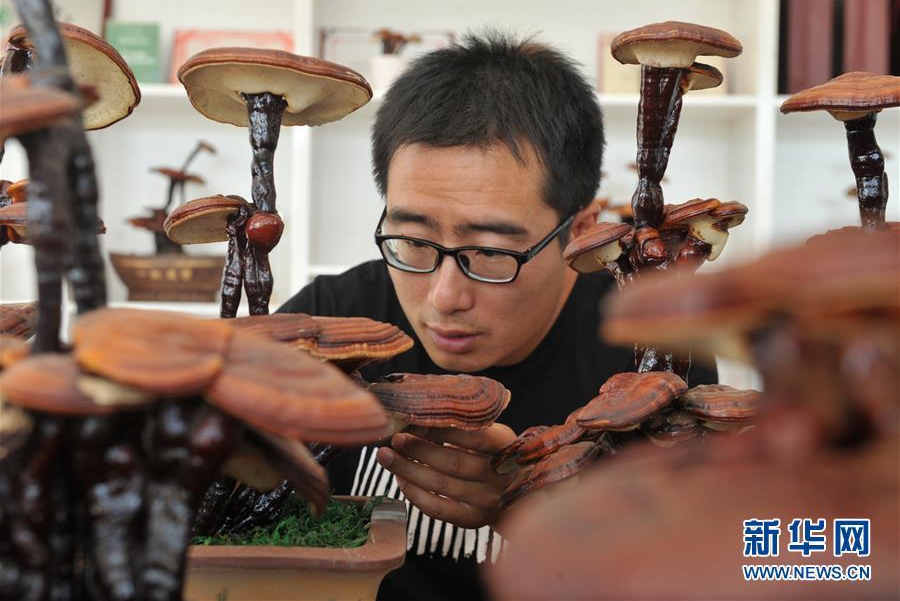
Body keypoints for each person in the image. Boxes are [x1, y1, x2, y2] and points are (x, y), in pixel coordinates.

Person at [278, 30, 716, 601]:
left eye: (490, 252)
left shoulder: (655, 356)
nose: (444, 297)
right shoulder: (331, 323)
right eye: (413, 240)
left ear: (581, 231)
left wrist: (529, 507)